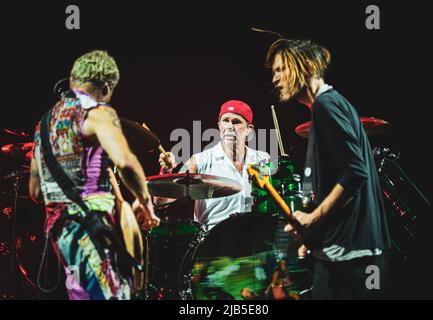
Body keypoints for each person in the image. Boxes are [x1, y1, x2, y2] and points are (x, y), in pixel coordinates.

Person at [28, 50, 160, 300]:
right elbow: (126, 162)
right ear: (106, 87)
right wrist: (146, 203)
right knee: (113, 295)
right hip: (90, 226)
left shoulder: (43, 125)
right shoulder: (98, 113)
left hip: (60, 233)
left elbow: (35, 191)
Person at [266, 38, 391, 299]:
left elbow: (356, 172)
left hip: (347, 260)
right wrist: (313, 232)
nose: (275, 78)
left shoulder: (326, 106)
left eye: (281, 69)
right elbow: (344, 178)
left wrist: (312, 218)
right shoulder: (334, 104)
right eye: (274, 71)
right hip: (352, 254)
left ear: (307, 66)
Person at [158, 100, 270, 230]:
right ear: (219, 126)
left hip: (255, 239)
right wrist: (166, 171)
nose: (230, 126)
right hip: (214, 241)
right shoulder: (199, 161)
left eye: (236, 122)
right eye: (225, 120)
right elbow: (161, 200)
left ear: (249, 130)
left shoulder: (262, 159)